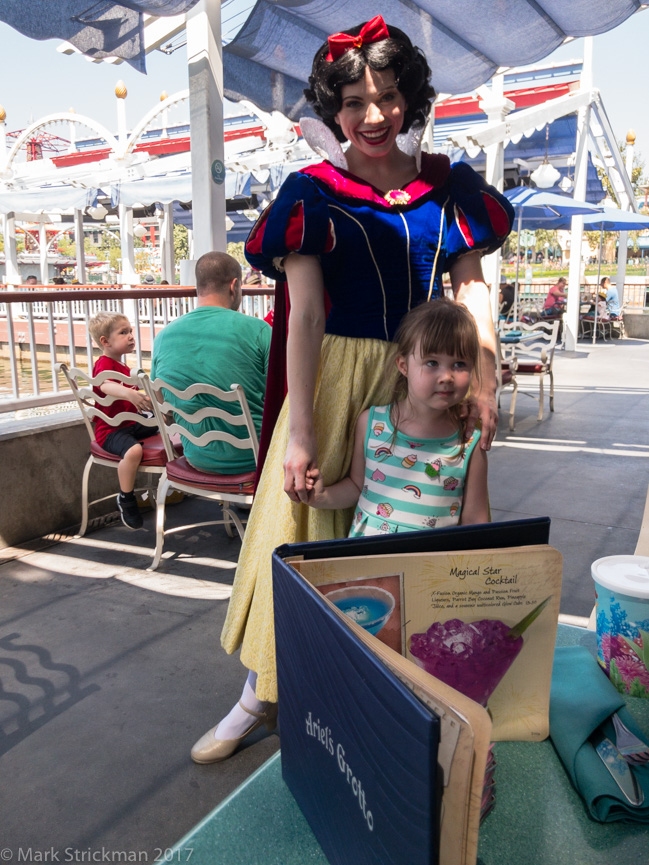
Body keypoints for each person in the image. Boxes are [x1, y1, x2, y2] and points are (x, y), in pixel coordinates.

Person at [190, 16, 513, 765]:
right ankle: (258, 697)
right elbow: (303, 316)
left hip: (420, 387)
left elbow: (472, 289)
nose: (373, 116)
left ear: (411, 98)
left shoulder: (447, 186)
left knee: (409, 546)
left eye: (389, 95)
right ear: (331, 109)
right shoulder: (312, 192)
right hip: (331, 385)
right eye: (354, 101)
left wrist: (487, 380)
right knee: (294, 537)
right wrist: (299, 431)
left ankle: (371, 705)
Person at [305, 299, 488, 531]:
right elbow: (355, 486)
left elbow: (476, 523)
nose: (447, 377)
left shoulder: (470, 442)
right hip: (369, 562)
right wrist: (321, 496)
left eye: (460, 364)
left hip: (432, 566)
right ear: (403, 365)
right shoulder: (371, 424)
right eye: (432, 362)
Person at [151, 252, 271, 474]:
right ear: (234, 286)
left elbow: (163, 408)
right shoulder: (260, 331)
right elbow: (282, 398)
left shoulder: (163, 337)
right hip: (254, 459)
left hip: (196, 456)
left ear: (199, 287)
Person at [88, 312, 156, 530]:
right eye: (123, 332)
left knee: (165, 424)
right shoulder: (104, 364)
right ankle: (126, 498)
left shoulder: (123, 368)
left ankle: (170, 486)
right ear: (105, 342)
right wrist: (129, 393)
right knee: (134, 451)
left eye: (130, 331)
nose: (130, 337)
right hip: (110, 430)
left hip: (130, 424)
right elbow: (105, 385)